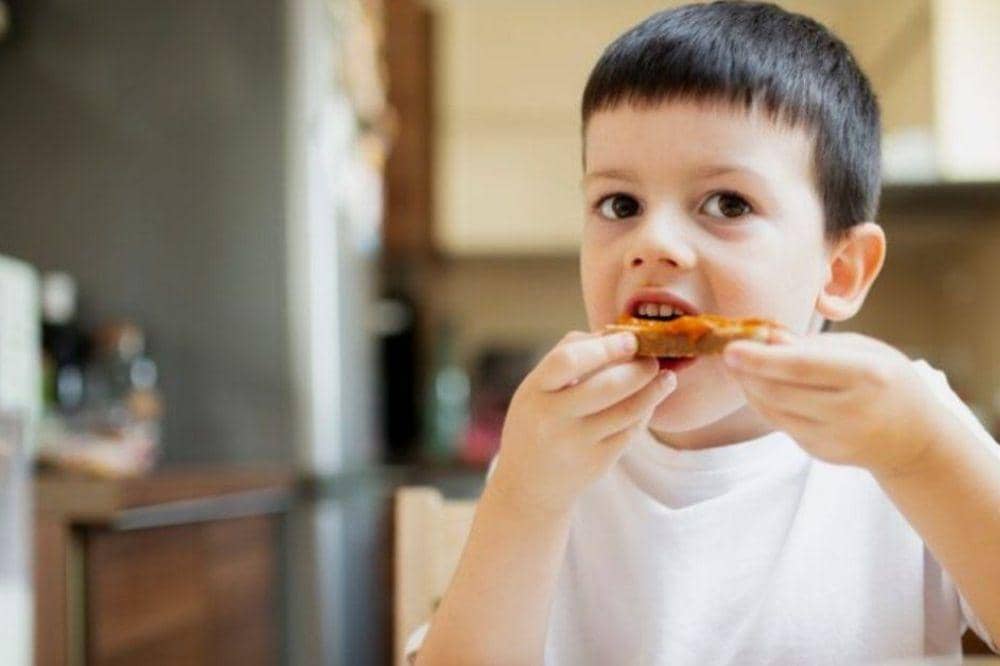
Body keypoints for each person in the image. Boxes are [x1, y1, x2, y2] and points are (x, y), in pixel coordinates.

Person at [410, 2, 1000, 663]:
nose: (653, 242)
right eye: (620, 204)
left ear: (840, 271)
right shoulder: (551, 454)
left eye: (727, 204)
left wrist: (922, 454)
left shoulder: (908, 431)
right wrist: (524, 495)